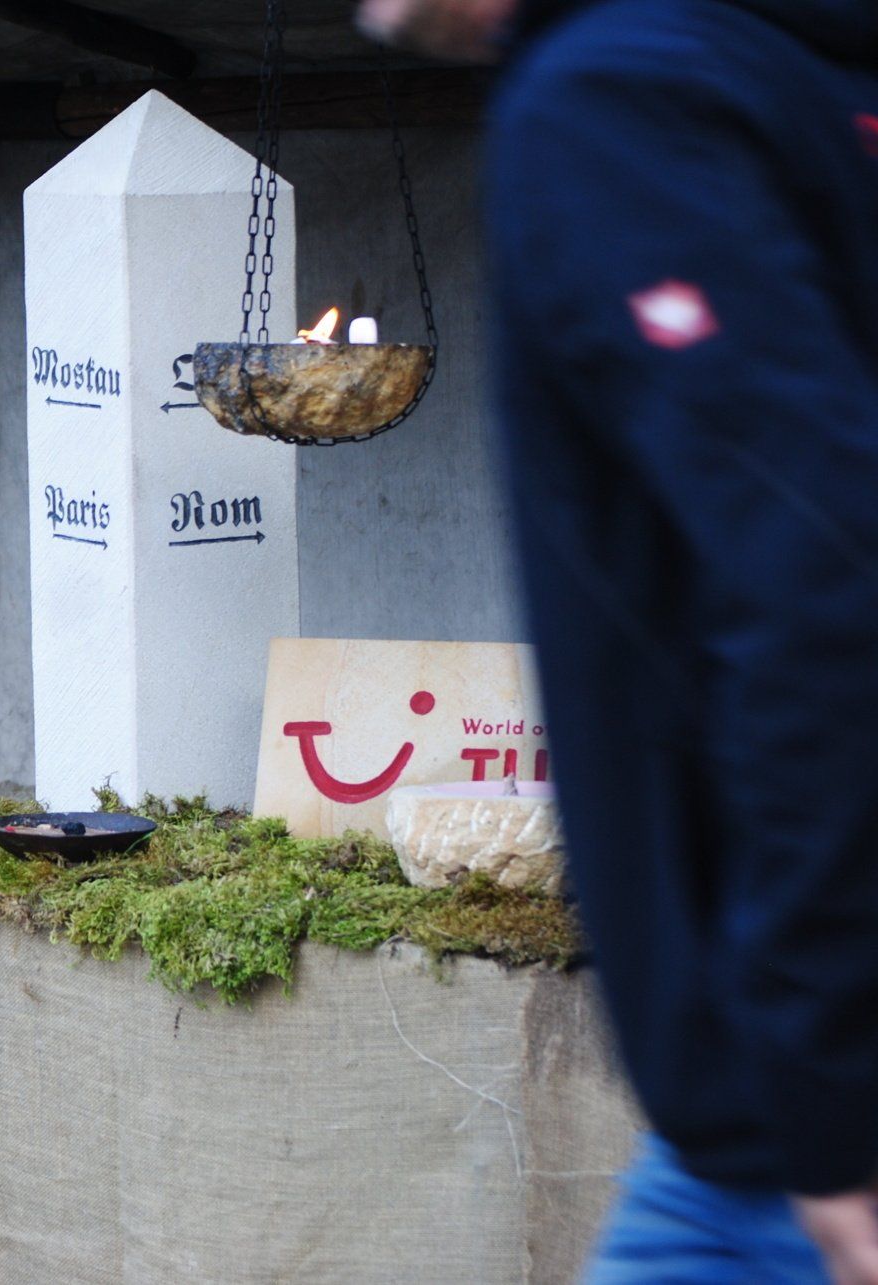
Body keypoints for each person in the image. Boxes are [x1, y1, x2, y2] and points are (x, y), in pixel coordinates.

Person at [358, 0, 878, 1280]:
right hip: (745, 1122)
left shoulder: (611, 98)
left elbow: (820, 568)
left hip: (798, 1133)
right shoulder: (754, 70)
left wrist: (827, 1105)